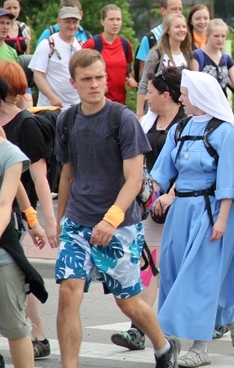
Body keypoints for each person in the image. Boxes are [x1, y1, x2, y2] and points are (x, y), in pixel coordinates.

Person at [54, 49, 180, 368]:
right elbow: (67, 173)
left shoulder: (122, 119)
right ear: (73, 82)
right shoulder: (66, 119)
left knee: (129, 304)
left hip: (119, 226)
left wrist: (110, 221)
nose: (95, 84)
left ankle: (164, 347)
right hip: (78, 223)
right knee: (69, 293)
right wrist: (59, 220)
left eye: (99, 77)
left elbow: (134, 180)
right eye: (87, 80)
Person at [150, 70, 234, 367]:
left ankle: (200, 347)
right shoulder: (179, 129)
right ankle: (231, 314)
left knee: (199, 279)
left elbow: (228, 181)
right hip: (181, 212)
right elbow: (161, 173)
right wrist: (143, 195)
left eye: (185, 93)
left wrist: (222, 221)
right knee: (174, 273)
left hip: (214, 212)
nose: (180, 97)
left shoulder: (225, 132)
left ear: (201, 96)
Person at [110, 66, 186, 351]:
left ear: (166, 95)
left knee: (181, 269)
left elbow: (189, 167)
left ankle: (223, 313)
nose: (147, 97)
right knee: (149, 266)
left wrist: (171, 195)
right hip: (150, 205)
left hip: (182, 205)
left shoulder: (187, 122)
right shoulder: (147, 122)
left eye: (151, 92)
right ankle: (138, 329)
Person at [0, 61, 58, 359]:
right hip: (12, 210)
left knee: (18, 273)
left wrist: (47, 222)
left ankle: (38, 335)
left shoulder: (27, 124)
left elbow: (39, 177)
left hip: (18, 214)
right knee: (18, 274)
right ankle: (37, 335)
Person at [0, 103, 48, 368]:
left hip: (3, 253)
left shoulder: (8, 153)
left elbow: (5, 204)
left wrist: (34, 220)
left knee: (16, 329)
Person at [135, 0, 184, 115]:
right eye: (174, 9)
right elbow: (143, 77)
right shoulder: (151, 39)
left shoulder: (186, 49)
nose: (177, 12)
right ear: (163, 11)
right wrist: (140, 112)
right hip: (156, 107)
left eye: (180, 9)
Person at [138, 13, 192, 117]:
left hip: (181, 111)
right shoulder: (156, 54)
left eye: (184, 26)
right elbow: (144, 83)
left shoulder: (188, 55)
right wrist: (140, 113)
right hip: (157, 112)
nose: (182, 30)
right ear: (168, 30)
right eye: (177, 27)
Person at [29, 6, 83, 108]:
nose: (71, 26)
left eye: (75, 22)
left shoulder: (81, 46)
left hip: (76, 107)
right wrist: (52, 98)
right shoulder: (47, 45)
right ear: (59, 21)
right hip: (51, 108)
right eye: (67, 22)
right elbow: (38, 75)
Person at [82, 4, 137, 104]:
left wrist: (132, 80)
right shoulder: (92, 44)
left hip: (120, 103)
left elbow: (128, 71)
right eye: (111, 19)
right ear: (102, 21)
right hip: (98, 102)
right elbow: (80, 71)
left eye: (118, 19)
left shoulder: (125, 44)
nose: (115, 23)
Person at [190, 18, 234, 100]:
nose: (220, 40)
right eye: (216, 36)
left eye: (223, 36)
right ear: (207, 35)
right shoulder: (197, 56)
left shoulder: (226, 59)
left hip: (222, 105)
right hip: (203, 105)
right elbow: (193, 84)